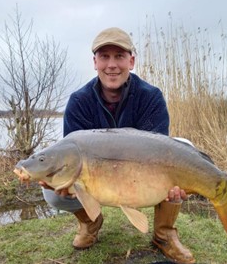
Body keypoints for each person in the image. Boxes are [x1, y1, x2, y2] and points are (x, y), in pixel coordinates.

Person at [40, 27, 195, 264]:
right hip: (95, 182)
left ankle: (164, 235)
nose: (112, 65)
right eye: (104, 57)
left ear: (131, 61)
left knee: (184, 147)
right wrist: (64, 182)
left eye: (119, 56)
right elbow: (71, 157)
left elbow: (162, 152)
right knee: (51, 186)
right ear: (95, 62)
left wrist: (174, 186)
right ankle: (90, 223)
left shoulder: (151, 97)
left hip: (143, 180)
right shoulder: (79, 101)